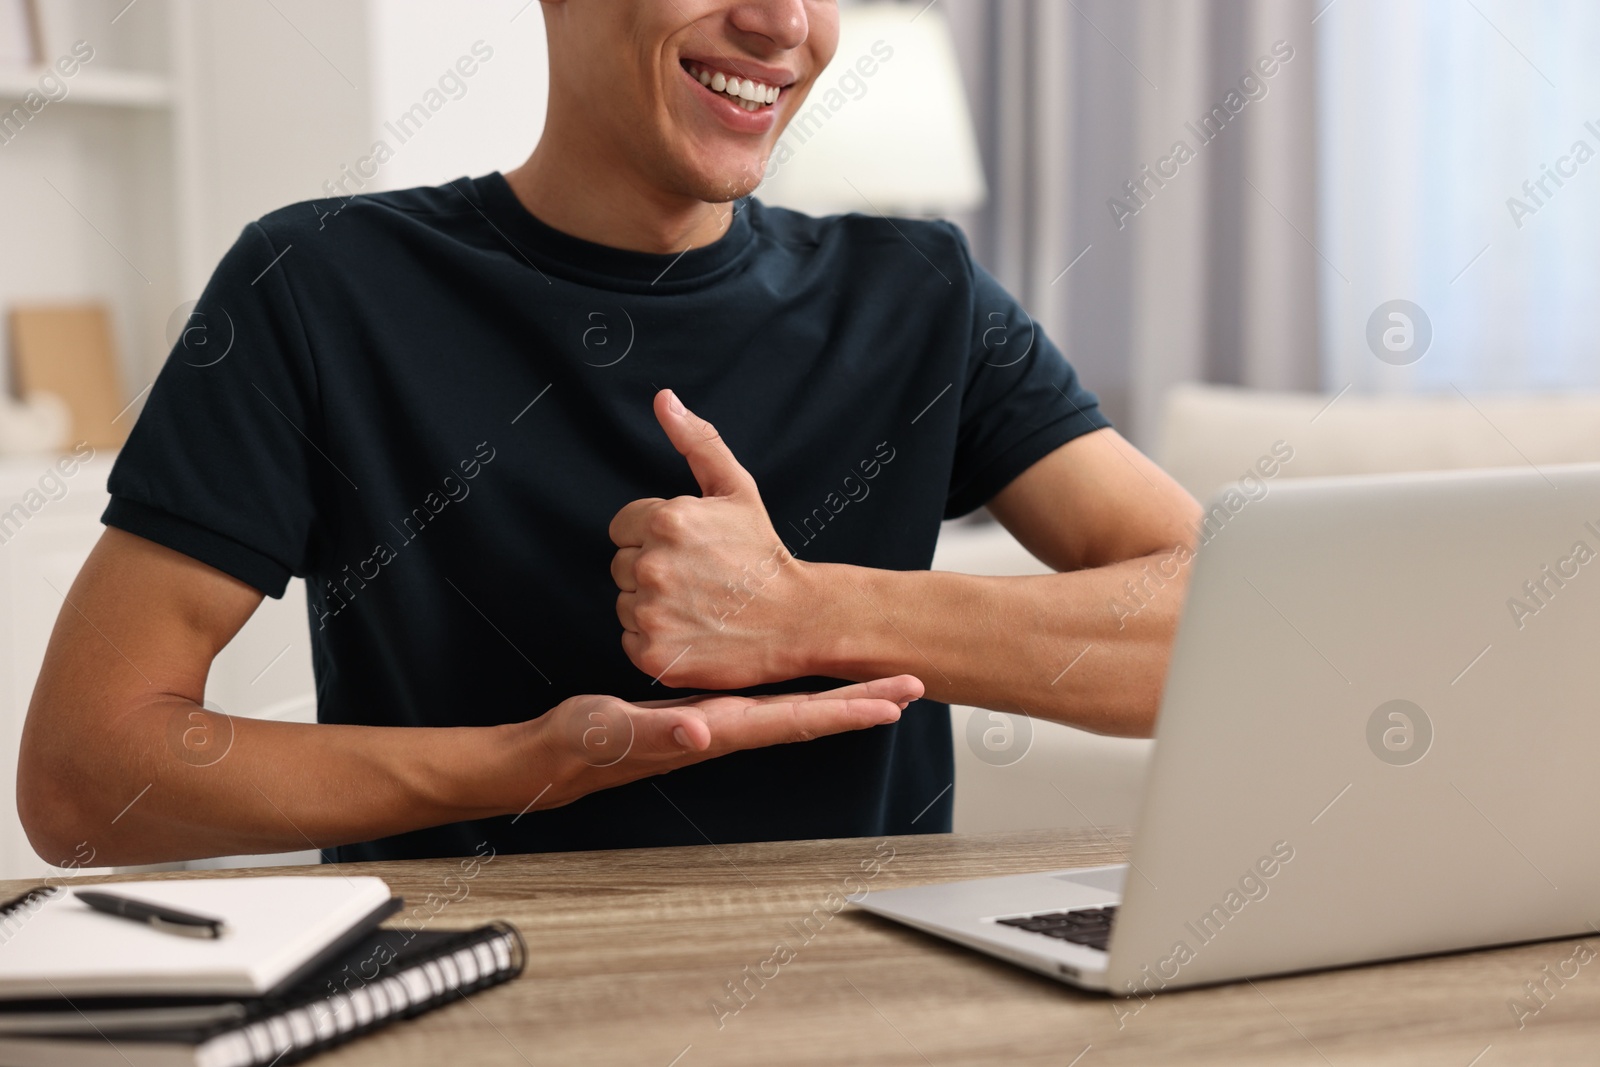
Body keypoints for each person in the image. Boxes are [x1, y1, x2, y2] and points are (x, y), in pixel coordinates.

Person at [17, 0, 1200, 868]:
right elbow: (84, 774)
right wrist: (526, 764)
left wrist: (807, 611)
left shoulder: (921, 293)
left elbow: (1221, 620)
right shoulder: (318, 285)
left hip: (869, 993)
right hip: (471, 993)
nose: (780, 21)